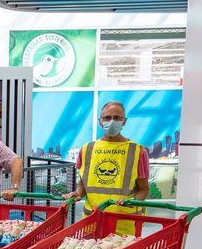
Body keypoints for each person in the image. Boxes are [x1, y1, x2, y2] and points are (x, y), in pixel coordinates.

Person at [63, 101, 149, 235]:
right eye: (107, 118)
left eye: (117, 118)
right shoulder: (87, 149)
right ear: (100, 121)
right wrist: (78, 193)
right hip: (92, 222)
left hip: (124, 225)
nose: (112, 122)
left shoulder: (138, 151)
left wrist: (133, 201)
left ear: (124, 121)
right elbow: (84, 184)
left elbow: (144, 189)